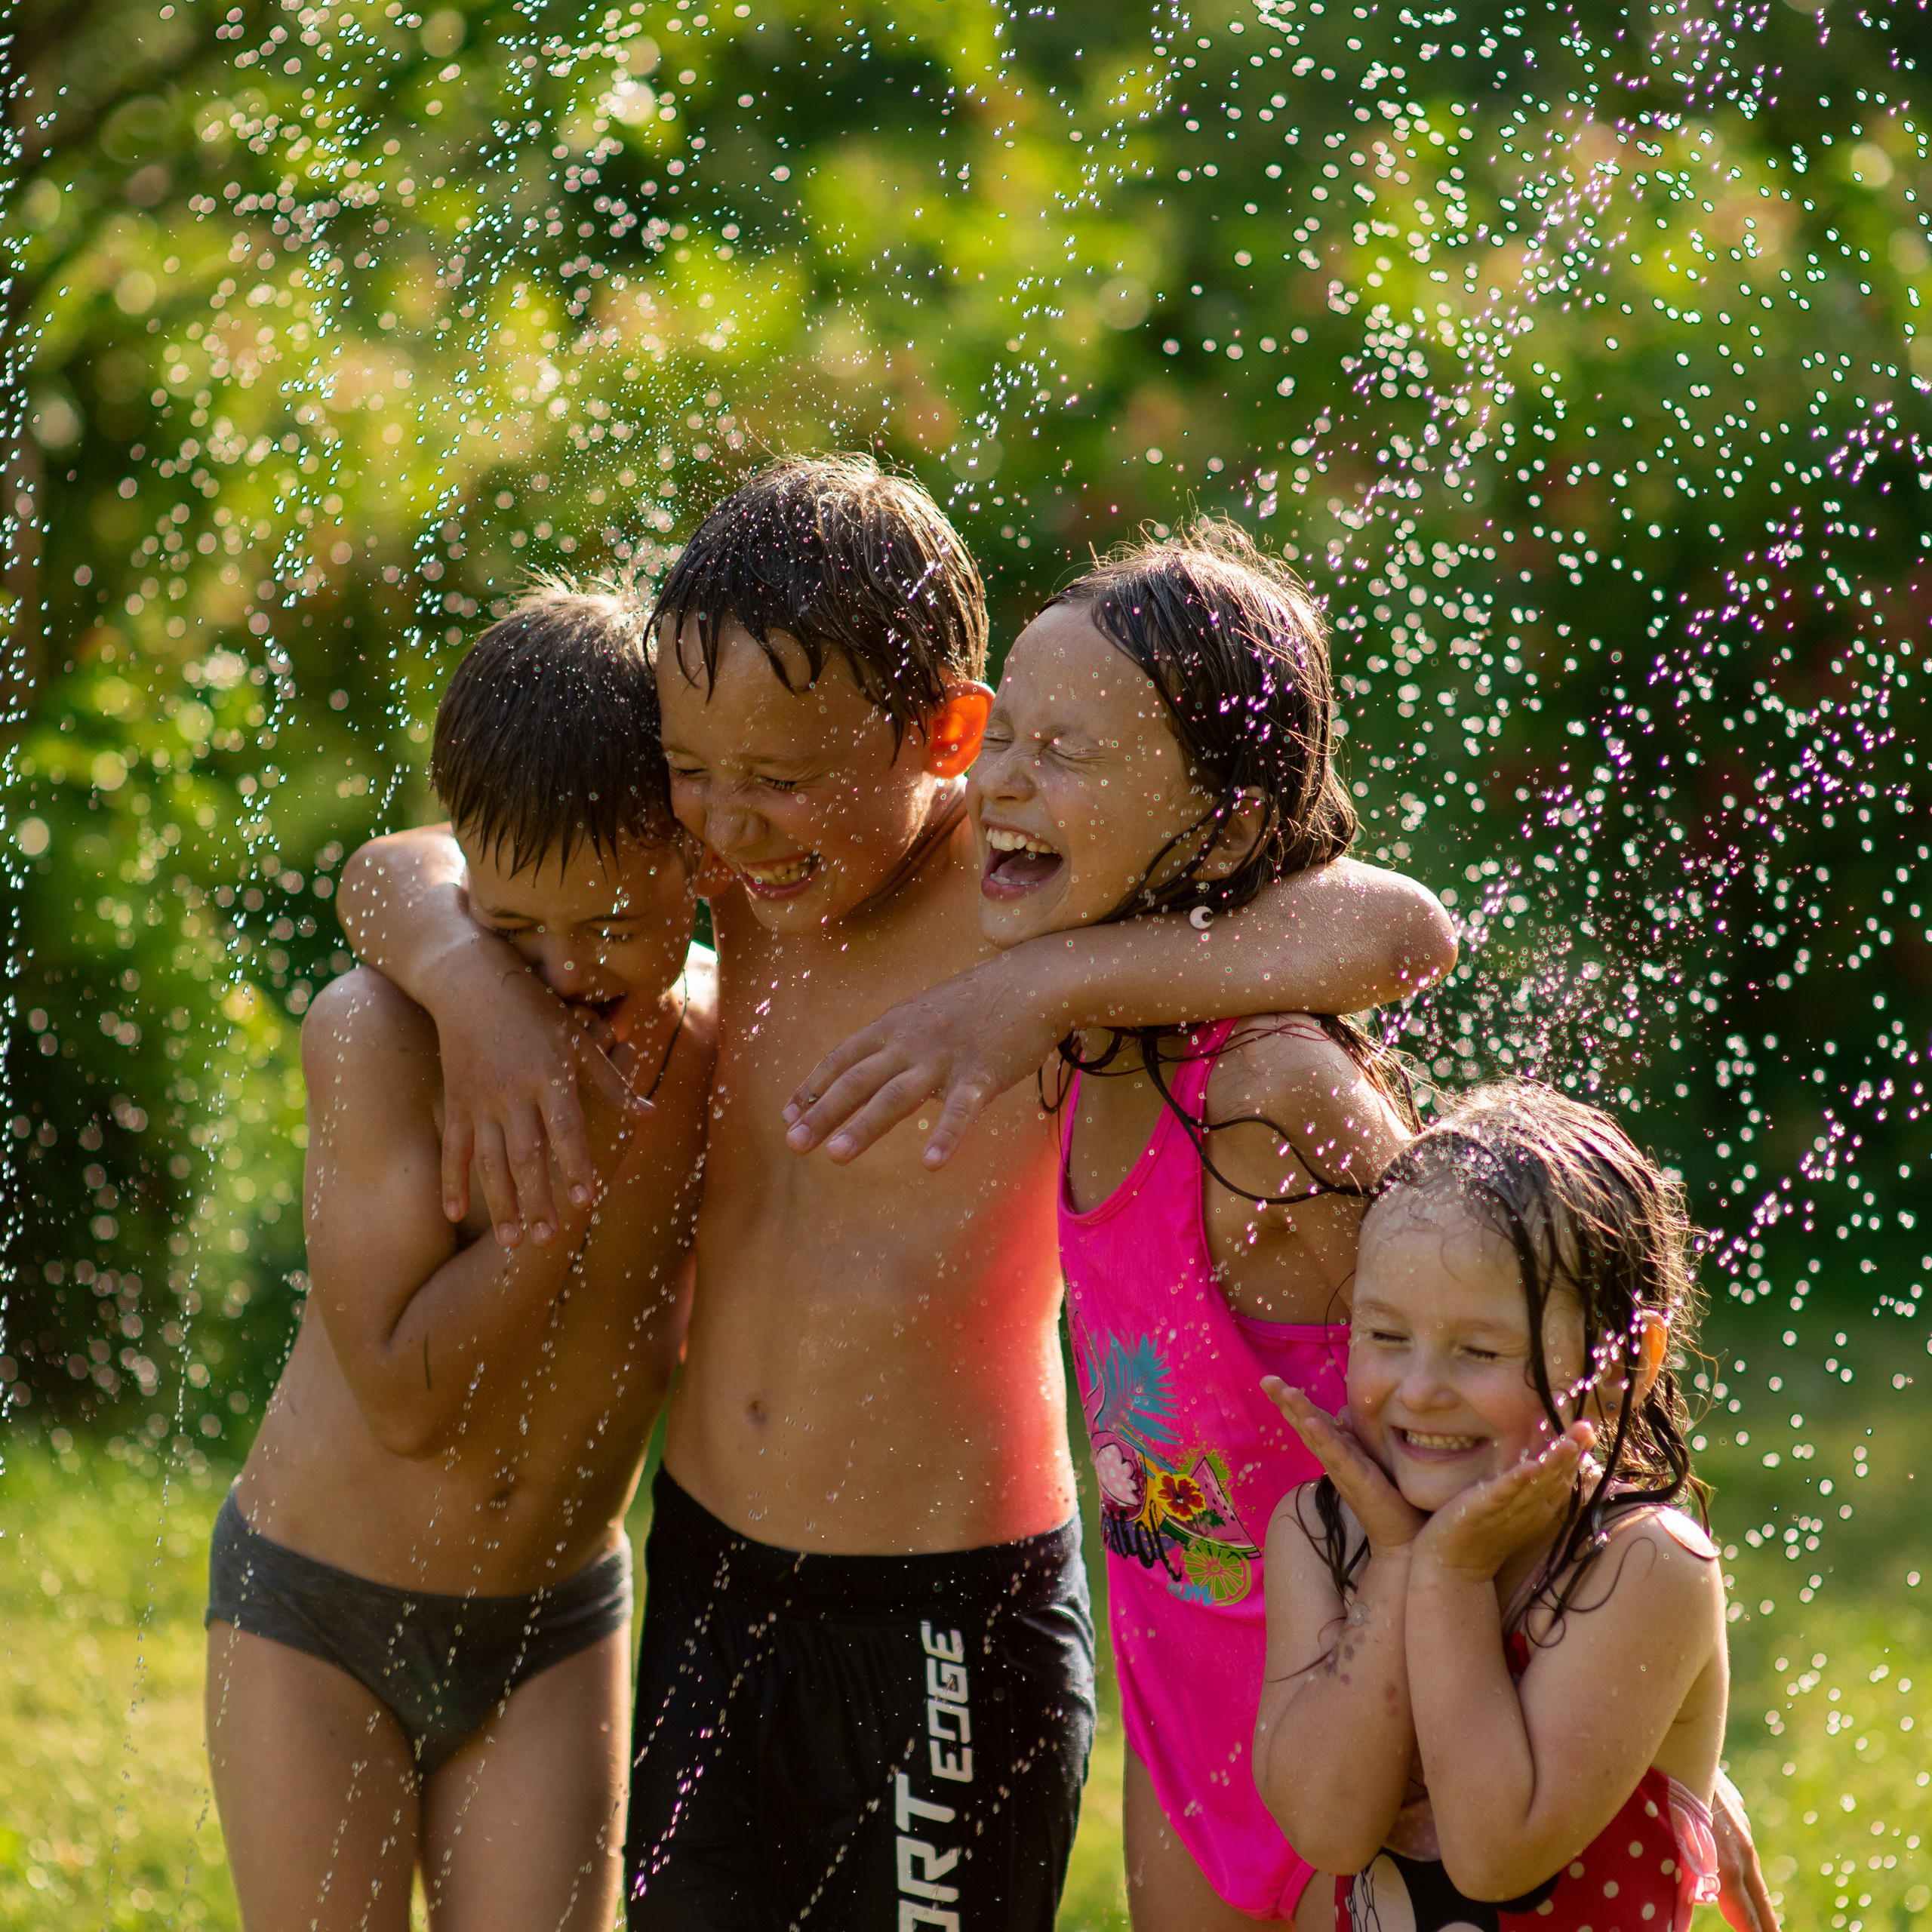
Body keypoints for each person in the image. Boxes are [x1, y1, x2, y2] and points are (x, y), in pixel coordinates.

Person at [336, 456, 1458, 1931]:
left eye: (782, 779)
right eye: (697, 774)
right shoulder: (734, 871)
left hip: (945, 1606)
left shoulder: (1024, 895)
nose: (729, 824)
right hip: (712, 1567)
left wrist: (1045, 984)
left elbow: (1397, 930)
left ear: (945, 735)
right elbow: (396, 865)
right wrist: (466, 980)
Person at [205, 582, 716, 1932]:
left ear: (700, 852)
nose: (562, 971)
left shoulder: (722, 1045)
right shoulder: (384, 1036)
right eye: (513, 934)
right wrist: (561, 1177)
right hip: (315, 1621)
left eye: (609, 923)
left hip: (553, 1628)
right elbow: (403, 1394)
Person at [958, 523, 1421, 1930]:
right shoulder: (1075, 1025)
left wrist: (1611, 1697)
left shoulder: (1269, 1099)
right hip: (1190, 1733)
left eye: (1071, 751)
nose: (1006, 783)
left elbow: (1515, 1381)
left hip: (1387, 1747)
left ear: (1218, 828)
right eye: (1004, 733)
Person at [1257, 1083, 1743, 1932]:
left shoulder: (1641, 1565)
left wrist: (1448, 1576)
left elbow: (1493, 1853)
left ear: (1625, 1358)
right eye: (1383, 1336)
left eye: (1478, 1350)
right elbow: (1327, 1827)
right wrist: (1399, 1563)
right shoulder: (1322, 1534)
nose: (1417, 1389)